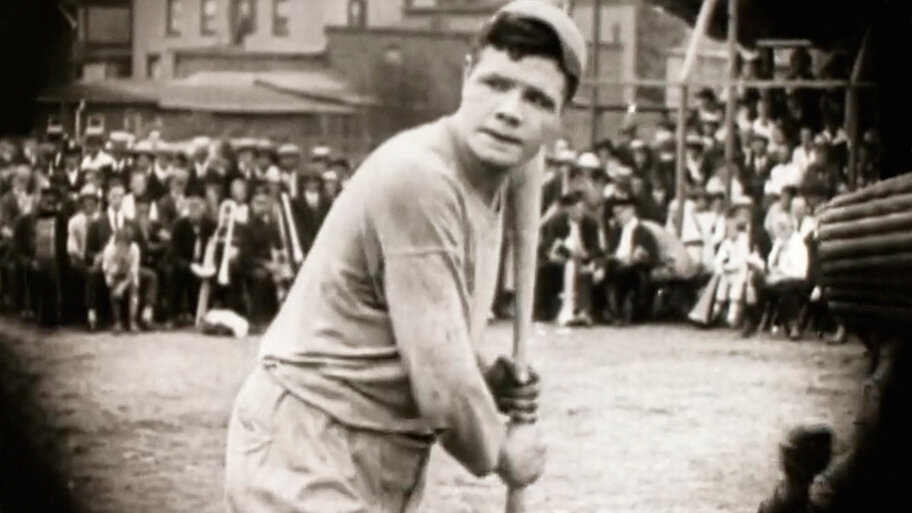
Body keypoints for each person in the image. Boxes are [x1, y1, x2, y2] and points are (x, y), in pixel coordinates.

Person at [224, 2, 586, 511]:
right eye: (496, 84)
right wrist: (505, 455)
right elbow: (442, 390)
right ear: (465, 76)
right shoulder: (420, 177)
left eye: (537, 99)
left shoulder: (495, 176)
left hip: (380, 447)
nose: (510, 111)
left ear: (559, 118)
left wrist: (482, 374)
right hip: (307, 443)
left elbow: (410, 328)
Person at [101, 227, 141, 332]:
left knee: (134, 289)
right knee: (114, 289)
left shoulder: (135, 250)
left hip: (129, 276)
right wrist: (117, 267)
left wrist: (123, 286)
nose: (121, 249)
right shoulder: (109, 250)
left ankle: (133, 321)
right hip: (114, 274)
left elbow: (133, 271)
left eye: (124, 246)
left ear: (129, 245)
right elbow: (107, 271)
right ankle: (117, 322)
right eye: (119, 245)